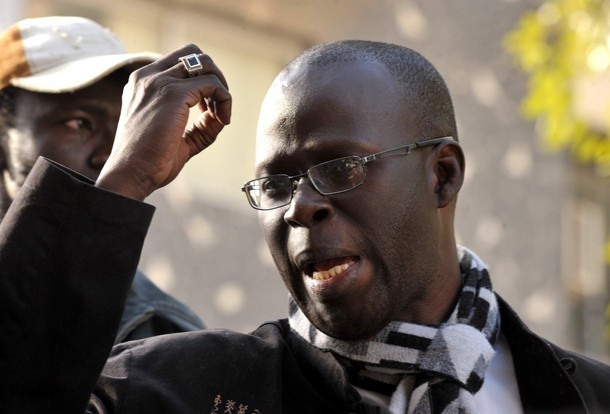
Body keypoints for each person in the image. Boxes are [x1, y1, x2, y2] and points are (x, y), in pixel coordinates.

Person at [1, 39, 609, 413]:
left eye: (341, 167)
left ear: (443, 177)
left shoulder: (585, 397)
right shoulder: (176, 390)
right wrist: (124, 179)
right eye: (275, 184)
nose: (298, 207)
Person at [0, 16, 204, 343]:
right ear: (4, 130)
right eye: (79, 124)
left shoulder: (161, 332)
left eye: (125, 129)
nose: (112, 156)